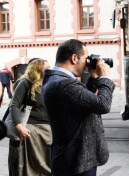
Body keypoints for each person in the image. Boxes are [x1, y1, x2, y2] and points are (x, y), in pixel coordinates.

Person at [41, 39, 115, 176]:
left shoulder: (58, 80)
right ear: (74, 58)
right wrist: (106, 77)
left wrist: (93, 77)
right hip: (77, 161)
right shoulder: (63, 84)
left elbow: (81, 101)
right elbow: (102, 105)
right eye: (86, 58)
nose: (87, 63)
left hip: (75, 158)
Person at [8, 59, 52, 176]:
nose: (50, 68)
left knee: (48, 165)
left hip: (48, 131)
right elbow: (14, 105)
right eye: (46, 67)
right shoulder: (25, 83)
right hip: (30, 130)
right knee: (28, 167)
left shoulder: (50, 83)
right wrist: (19, 126)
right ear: (37, 69)